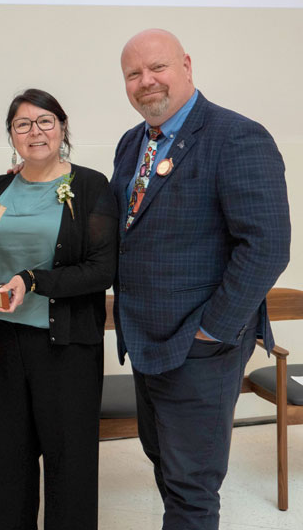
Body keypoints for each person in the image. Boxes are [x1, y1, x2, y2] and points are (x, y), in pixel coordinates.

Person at [111, 29, 291, 529]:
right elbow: (124, 230)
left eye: (158, 67)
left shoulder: (237, 136)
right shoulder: (132, 143)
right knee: (166, 468)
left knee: (192, 488)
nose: (146, 81)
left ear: (186, 66)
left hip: (201, 348)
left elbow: (267, 246)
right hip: (146, 342)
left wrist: (212, 330)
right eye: (133, 74)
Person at [0, 88, 118, 529]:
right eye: (23, 124)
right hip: (3, 342)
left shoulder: (90, 186)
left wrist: (33, 281)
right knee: (9, 460)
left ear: (62, 128)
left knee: (70, 460)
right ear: (11, 135)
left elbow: (101, 270)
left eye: (45, 121)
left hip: (66, 345)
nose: (35, 131)